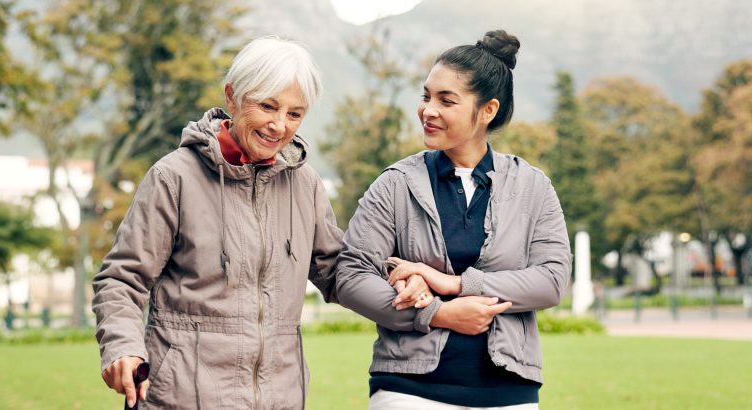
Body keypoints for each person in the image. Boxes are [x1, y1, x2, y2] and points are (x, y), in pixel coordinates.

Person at [92, 35, 346, 409]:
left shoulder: (304, 184)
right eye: (267, 106)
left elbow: (339, 273)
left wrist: (402, 275)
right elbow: (121, 278)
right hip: (183, 398)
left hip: (281, 399)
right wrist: (122, 346)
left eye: (294, 114)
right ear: (232, 97)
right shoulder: (173, 177)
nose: (279, 125)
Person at [335, 30, 571, 409]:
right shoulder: (394, 184)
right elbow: (350, 275)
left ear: (487, 111)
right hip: (408, 391)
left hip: (509, 394)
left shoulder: (533, 187)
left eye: (447, 101)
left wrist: (456, 283)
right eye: (426, 96)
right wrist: (437, 313)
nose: (428, 110)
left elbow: (552, 281)